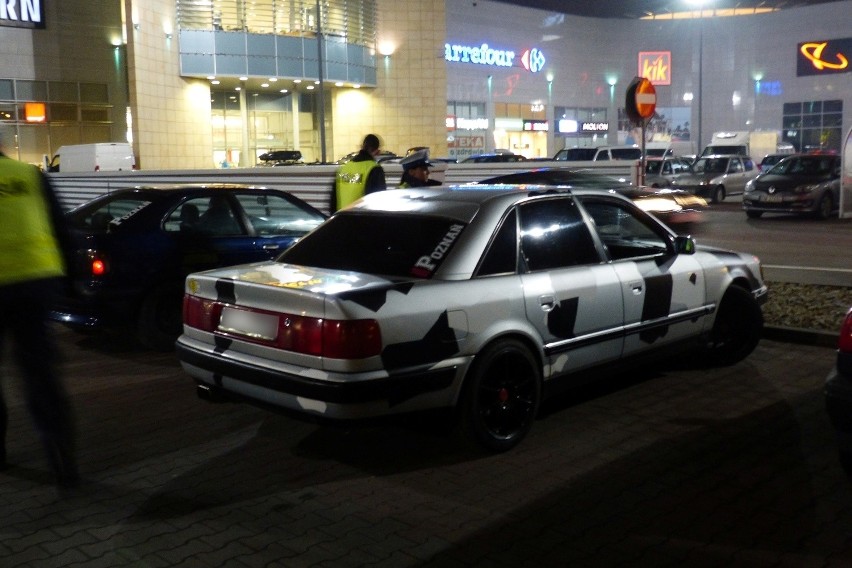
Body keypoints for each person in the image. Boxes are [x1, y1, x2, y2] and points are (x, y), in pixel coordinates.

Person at [0, 127, 78, 488]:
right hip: (36, 285)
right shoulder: (29, 176)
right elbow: (62, 230)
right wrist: (70, 285)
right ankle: (63, 459)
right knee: (40, 374)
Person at [334, 133, 387, 211]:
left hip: (342, 219)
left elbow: (334, 200)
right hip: (362, 220)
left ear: (362, 147)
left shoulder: (343, 168)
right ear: (377, 152)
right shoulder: (374, 169)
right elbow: (378, 201)